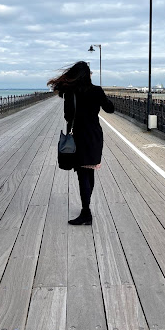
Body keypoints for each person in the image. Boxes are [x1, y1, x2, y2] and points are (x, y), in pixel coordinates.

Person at [47, 61, 114, 225]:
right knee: (88, 172)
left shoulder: (70, 93)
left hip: (77, 137)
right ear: (87, 75)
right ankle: (86, 210)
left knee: (82, 174)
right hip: (93, 136)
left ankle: (86, 212)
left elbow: (67, 116)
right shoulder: (96, 91)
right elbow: (110, 109)